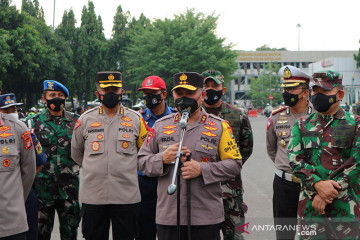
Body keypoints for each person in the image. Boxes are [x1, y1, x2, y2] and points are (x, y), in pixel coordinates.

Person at [138, 72, 242, 240]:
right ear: (172, 95)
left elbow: (235, 164)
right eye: (179, 93)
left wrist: (202, 169)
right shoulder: (159, 126)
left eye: (190, 93)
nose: (184, 98)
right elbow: (141, 161)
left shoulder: (219, 126)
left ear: (203, 95)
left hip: (205, 217)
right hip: (169, 217)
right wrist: (161, 159)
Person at [71, 71, 149, 240]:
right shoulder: (85, 120)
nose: (111, 93)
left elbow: (146, 152)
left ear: (122, 91)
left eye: (115, 89)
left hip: (126, 197)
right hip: (94, 197)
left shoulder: (136, 119)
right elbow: (77, 154)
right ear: (97, 93)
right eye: (106, 90)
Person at [288, 70, 360, 239]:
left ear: (340, 94)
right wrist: (317, 186)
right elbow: (294, 160)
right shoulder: (302, 124)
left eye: (325, 91)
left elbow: (356, 162)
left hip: (346, 208)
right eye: (316, 91)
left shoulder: (355, 124)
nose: (318, 95)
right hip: (311, 208)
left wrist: (327, 193)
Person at [202, 69, 253, 240]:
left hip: (232, 190)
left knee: (236, 235)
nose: (210, 89)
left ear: (223, 90)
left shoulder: (238, 115)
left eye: (214, 86)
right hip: (201, 188)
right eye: (206, 85)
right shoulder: (193, 116)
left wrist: (228, 168)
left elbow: (246, 148)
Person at [266, 65, 314, 240]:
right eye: (285, 88)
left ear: (305, 93)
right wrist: (286, 166)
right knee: (284, 234)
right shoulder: (276, 116)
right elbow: (272, 149)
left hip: (312, 184)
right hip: (283, 185)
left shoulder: (318, 115)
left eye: (292, 88)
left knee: (312, 233)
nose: (287, 92)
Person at [29, 80, 80, 240]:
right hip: (42, 190)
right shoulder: (33, 123)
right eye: (52, 95)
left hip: (69, 189)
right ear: (44, 99)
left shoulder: (77, 122)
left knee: (70, 234)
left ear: (65, 98)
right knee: (40, 235)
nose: (56, 99)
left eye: (60, 95)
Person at [0, 93, 47, 240]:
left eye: (13, 109)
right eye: (7, 110)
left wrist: (14, 200)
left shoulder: (20, 129)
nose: (12, 112)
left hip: (10, 224)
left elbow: (31, 171)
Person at [136, 75, 176, 240]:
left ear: (164, 94)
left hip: (169, 180)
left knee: (170, 231)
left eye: (153, 93)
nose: (148, 97)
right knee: (144, 232)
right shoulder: (138, 119)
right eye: (146, 93)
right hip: (144, 182)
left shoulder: (177, 117)